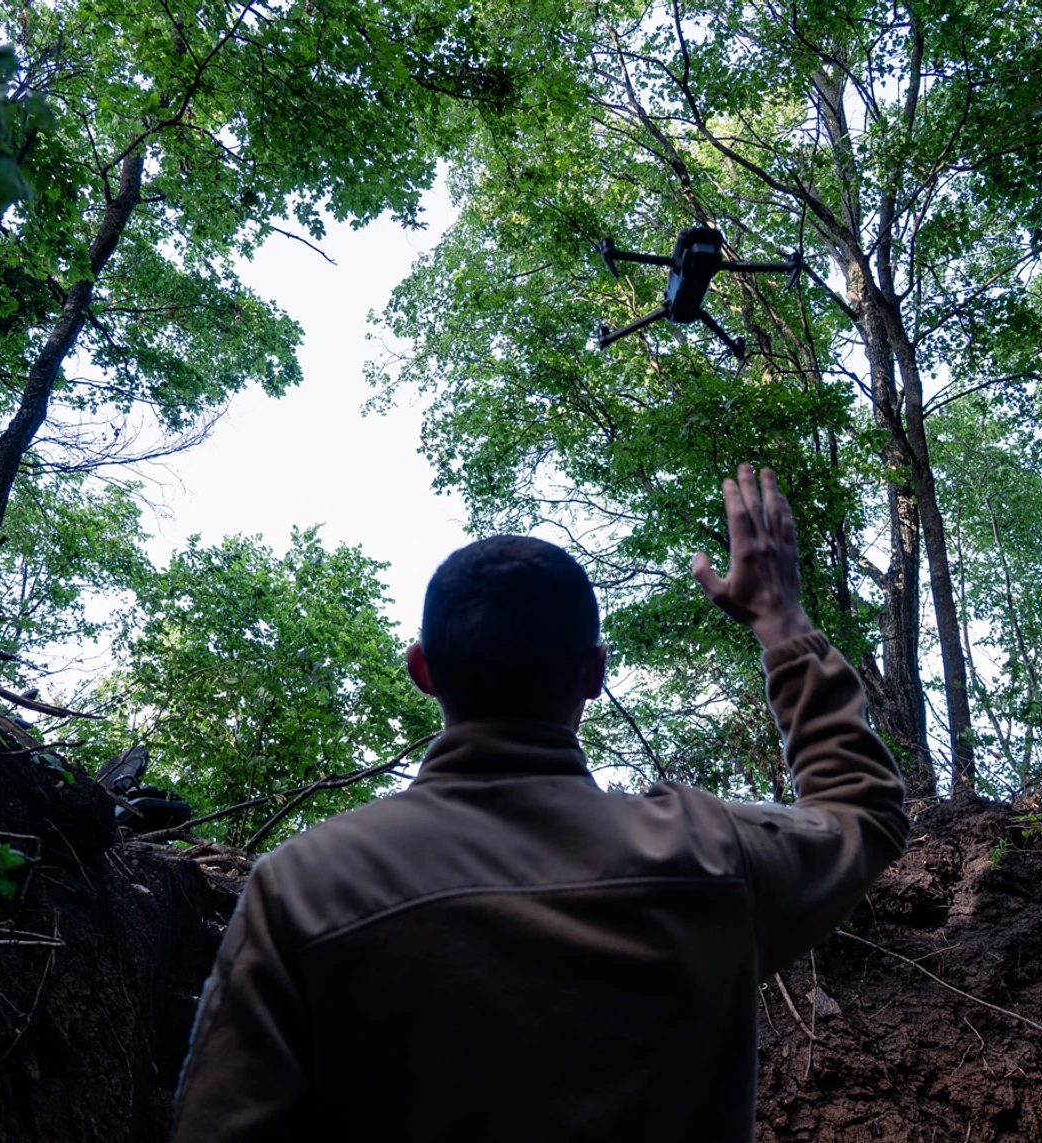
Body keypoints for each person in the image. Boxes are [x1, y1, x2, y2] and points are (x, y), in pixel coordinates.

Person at [171, 464, 909, 1142]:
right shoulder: (711, 853)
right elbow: (864, 811)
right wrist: (782, 623)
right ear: (593, 672)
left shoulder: (302, 886)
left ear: (422, 670)